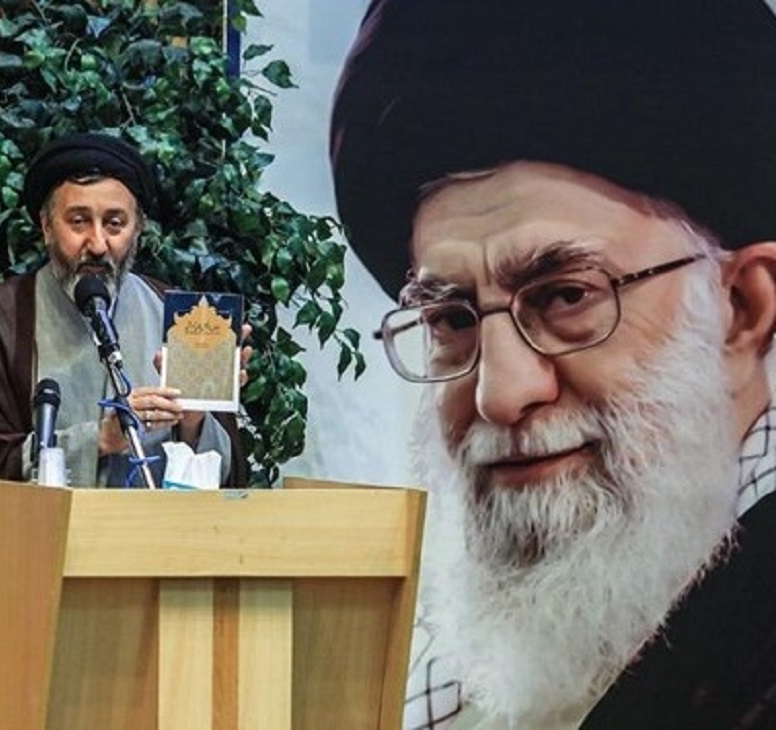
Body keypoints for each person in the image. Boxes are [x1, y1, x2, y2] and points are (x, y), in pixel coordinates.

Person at [330, 0, 776, 727]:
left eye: (567, 296)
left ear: (741, 310)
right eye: (452, 319)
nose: (500, 393)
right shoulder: (460, 660)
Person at [0, 131, 249, 488]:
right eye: (78, 221)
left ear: (138, 229)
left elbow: (231, 482)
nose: (98, 244)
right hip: (36, 525)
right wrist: (99, 440)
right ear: (46, 226)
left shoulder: (181, 317)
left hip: (158, 524)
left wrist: (194, 420)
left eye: (115, 223)